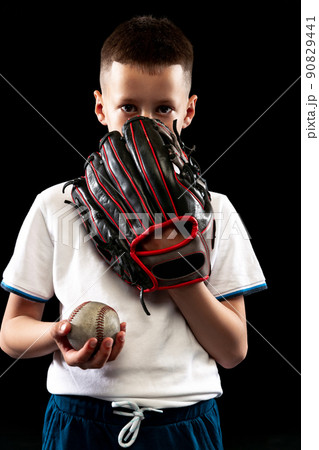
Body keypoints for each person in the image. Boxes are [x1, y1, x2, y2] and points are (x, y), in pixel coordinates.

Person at [0, 16, 267, 449]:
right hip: (80, 420)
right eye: (128, 107)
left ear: (188, 111)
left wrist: (175, 268)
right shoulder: (58, 204)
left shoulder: (215, 210)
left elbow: (234, 350)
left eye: (163, 108)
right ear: (101, 107)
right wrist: (59, 334)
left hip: (185, 422)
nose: (145, 123)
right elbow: (11, 333)